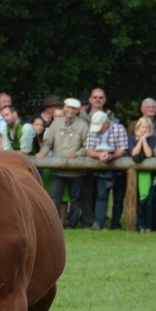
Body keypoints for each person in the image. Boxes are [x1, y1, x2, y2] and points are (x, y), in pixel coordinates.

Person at [39, 97, 89, 228]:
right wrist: (43, 152)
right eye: (68, 107)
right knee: (54, 198)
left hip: (76, 171)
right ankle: (53, 224)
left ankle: (72, 225)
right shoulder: (56, 124)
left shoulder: (83, 125)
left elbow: (87, 146)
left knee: (75, 200)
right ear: (64, 108)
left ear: (78, 111)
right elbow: (48, 142)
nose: (71, 111)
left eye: (74, 109)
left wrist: (77, 154)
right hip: (58, 169)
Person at [84, 102, 129, 229]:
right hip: (101, 169)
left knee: (118, 198)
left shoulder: (119, 129)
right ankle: (99, 222)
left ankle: (115, 223)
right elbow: (89, 150)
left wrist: (111, 156)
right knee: (101, 195)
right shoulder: (92, 131)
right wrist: (99, 156)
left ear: (106, 123)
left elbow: (122, 149)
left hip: (119, 169)